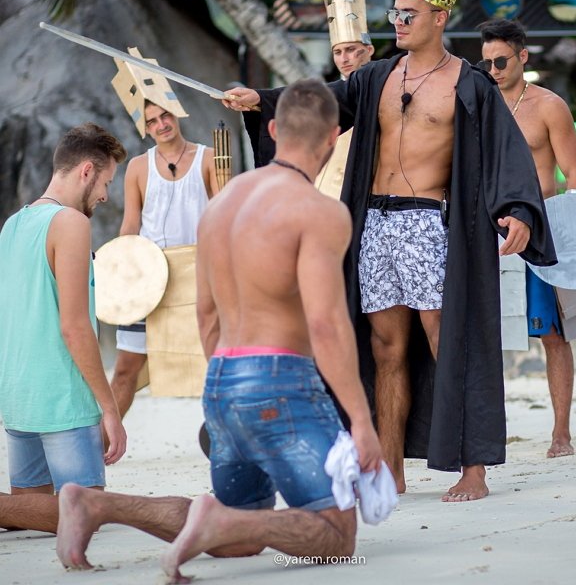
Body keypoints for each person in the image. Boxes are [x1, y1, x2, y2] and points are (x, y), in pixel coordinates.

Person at [223, 0, 557, 501]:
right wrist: (263, 101)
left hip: (429, 223)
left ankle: (474, 468)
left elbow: (504, 152)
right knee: (384, 348)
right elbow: (320, 101)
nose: (397, 22)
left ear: (439, 19)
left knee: (447, 340)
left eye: (408, 14)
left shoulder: (469, 84)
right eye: (394, 14)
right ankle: (390, 469)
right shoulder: (375, 76)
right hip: (375, 223)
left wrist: (518, 209)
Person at [52, 79, 383, 581]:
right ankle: (218, 519)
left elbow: (206, 315)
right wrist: (360, 421)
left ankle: (99, 505)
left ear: (272, 129)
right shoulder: (320, 211)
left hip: (223, 377)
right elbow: (326, 324)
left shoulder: (223, 206)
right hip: (282, 380)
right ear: (335, 137)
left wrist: (224, 382)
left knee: (238, 542)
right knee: (337, 538)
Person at [0, 123, 127, 501]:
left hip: (19, 399)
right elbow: (74, 327)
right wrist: (111, 409)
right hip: (63, 401)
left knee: (30, 515)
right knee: (87, 511)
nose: (105, 195)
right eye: (106, 181)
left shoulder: (11, 226)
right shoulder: (70, 222)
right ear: (86, 170)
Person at [479, 19, 576, 458]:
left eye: (501, 61)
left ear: (522, 57)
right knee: (487, 335)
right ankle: (490, 431)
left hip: (543, 230)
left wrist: (574, 233)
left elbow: (574, 175)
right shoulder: (479, 105)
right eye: (485, 63)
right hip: (490, 232)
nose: (493, 70)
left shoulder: (548, 106)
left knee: (553, 333)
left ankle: (561, 431)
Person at [110, 100, 220, 418]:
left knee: (214, 369)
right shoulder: (138, 167)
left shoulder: (210, 158)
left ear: (177, 112)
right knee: (125, 370)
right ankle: (99, 449)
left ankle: (227, 447)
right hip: (149, 277)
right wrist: (122, 270)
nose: (161, 124)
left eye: (165, 115)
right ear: (145, 129)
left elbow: (224, 215)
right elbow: (131, 224)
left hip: (197, 277)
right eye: (152, 121)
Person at [314, 0, 374, 200]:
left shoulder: (382, 91)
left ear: (369, 50)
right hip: (325, 191)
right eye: (338, 52)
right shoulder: (327, 96)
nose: (344, 59)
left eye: (350, 50)